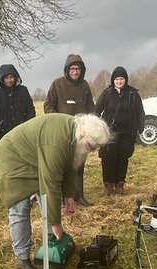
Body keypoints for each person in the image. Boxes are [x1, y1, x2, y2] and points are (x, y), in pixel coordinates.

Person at [0, 113, 110, 269]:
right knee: (20, 208)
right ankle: (22, 260)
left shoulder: (75, 135)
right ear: (84, 134)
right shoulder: (57, 142)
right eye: (92, 146)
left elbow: (70, 166)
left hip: (36, 158)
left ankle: (53, 243)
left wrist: (69, 195)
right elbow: (51, 183)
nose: (92, 151)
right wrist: (56, 223)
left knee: (48, 199)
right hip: (13, 159)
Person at [44, 54, 96, 206]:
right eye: (72, 69)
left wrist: (91, 122)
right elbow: (48, 105)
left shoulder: (85, 86)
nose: (75, 71)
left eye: (78, 69)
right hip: (63, 132)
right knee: (62, 165)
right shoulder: (57, 84)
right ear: (67, 69)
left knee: (79, 165)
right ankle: (61, 198)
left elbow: (90, 107)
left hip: (81, 133)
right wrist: (57, 120)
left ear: (82, 70)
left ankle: (78, 196)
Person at [95, 66, 144, 195]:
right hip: (110, 132)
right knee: (108, 158)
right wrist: (96, 127)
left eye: (121, 79)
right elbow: (97, 110)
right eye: (117, 79)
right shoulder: (107, 93)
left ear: (125, 79)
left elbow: (140, 112)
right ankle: (108, 185)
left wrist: (141, 127)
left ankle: (120, 184)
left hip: (127, 132)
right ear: (113, 80)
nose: (119, 81)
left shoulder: (133, 94)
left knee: (123, 159)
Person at [0, 64, 35, 150]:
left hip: (22, 134)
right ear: (2, 79)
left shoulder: (23, 91)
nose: (9, 80)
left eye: (11, 77)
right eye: (6, 78)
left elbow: (30, 111)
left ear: (16, 77)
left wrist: (30, 129)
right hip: (2, 136)